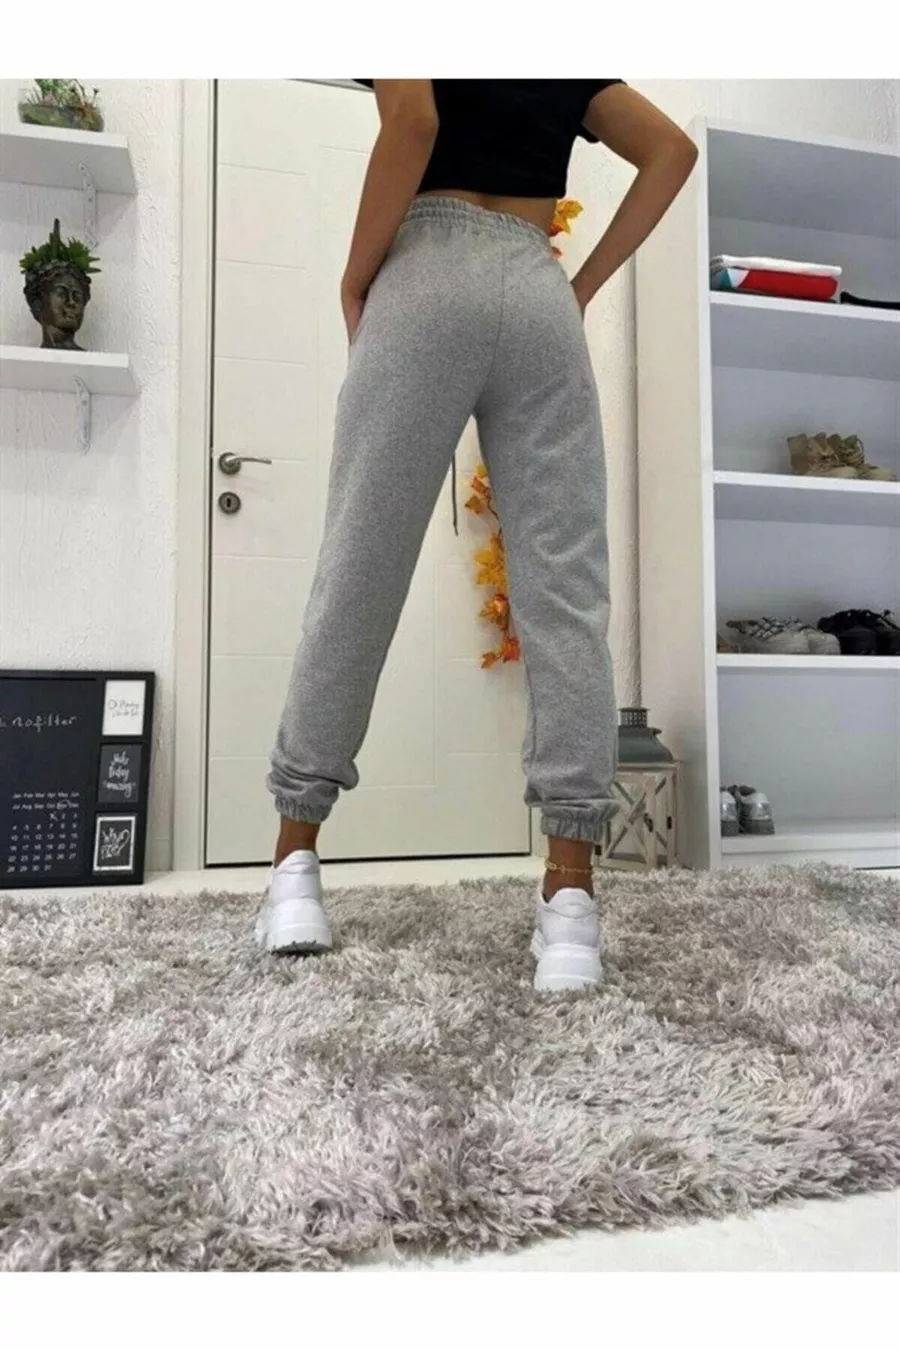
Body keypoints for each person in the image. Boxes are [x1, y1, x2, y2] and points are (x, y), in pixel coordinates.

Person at [256, 79, 697, 991]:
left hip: (425, 271)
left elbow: (414, 119)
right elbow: (671, 151)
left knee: (361, 565)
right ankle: (570, 903)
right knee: (566, 590)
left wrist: (355, 276)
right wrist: (579, 286)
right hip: (536, 289)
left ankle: (295, 868)